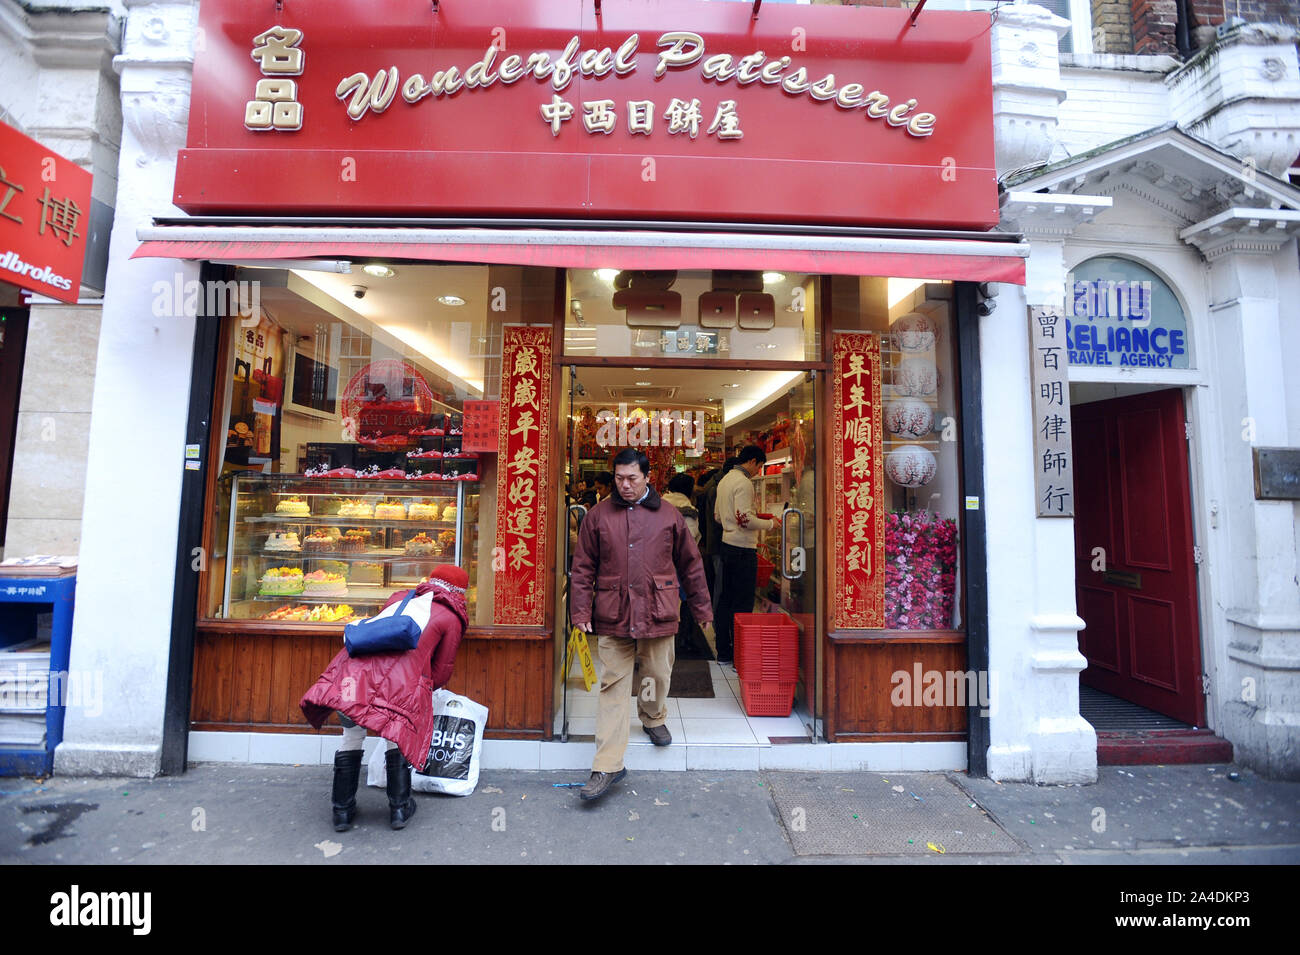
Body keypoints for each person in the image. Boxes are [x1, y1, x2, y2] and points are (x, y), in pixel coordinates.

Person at [569, 448, 712, 802]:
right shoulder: (599, 515)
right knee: (613, 686)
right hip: (613, 612)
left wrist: (702, 608)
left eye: (632, 478)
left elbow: (690, 565)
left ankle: (652, 716)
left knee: (655, 675)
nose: (625, 485)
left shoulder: (669, 516)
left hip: (658, 610)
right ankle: (607, 764)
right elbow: (584, 567)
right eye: (619, 479)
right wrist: (580, 611)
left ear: (648, 477)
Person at [300, 564, 469, 831]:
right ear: (460, 593)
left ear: (431, 580)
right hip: (398, 685)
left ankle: (342, 812)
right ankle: (399, 809)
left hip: (351, 675)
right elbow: (441, 671)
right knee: (395, 738)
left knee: (351, 737)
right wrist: (418, 687)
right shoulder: (451, 617)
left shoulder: (398, 598)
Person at [713, 445, 775, 664]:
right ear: (752, 461)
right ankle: (739, 653)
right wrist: (769, 523)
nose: (758, 470)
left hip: (726, 544)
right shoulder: (744, 483)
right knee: (742, 603)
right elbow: (745, 519)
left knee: (724, 600)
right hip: (742, 549)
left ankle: (723, 651)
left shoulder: (724, 481)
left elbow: (718, 517)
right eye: (759, 466)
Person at [663, 472, 708, 657]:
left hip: (656, 561)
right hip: (679, 562)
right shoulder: (687, 510)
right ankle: (685, 638)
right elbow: (688, 541)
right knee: (689, 599)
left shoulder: (660, 503)